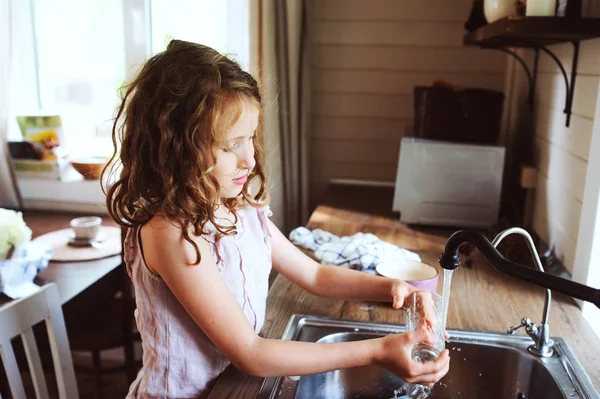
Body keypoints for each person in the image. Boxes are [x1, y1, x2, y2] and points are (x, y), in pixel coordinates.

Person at [102, 39, 450, 399]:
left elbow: (315, 274)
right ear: (176, 147)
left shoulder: (238, 208)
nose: (249, 159)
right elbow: (251, 353)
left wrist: (394, 289)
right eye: (230, 144)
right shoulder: (169, 233)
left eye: (250, 138)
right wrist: (378, 350)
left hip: (233, 387)